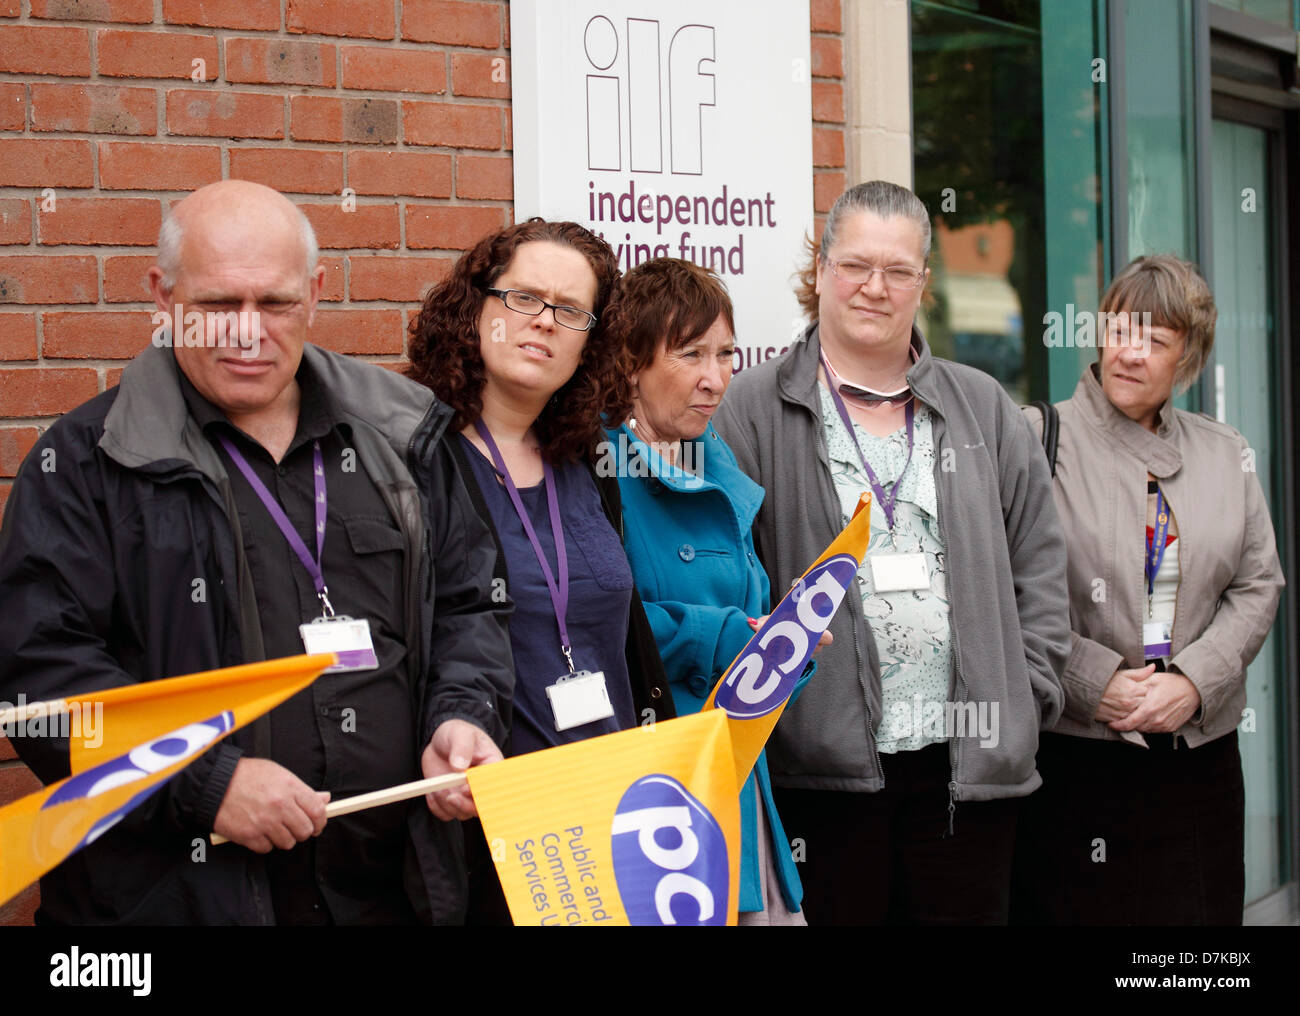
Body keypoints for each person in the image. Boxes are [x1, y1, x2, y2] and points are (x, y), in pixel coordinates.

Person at [0, 180, 516, 925]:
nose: (248, 333)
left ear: (313, 294)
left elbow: (471, 602)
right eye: (218, 306)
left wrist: (459, 717)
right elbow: (43, 686)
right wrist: (206, 785)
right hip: (173, 904)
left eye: (273, 304)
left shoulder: (404, 436)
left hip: (386, 898)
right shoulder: (86, 464)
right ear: (163, 296)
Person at [712, 180, 1070, 925]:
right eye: (855, 265)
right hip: (822, 778)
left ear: (924, 284)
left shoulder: (982, 404)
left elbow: (1040, 559)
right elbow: (723, 564)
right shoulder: (750, 407)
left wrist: (1025, 697)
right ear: (820, 271)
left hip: (966, 778)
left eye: (898, 270)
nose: (875, 288)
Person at [406, 218, 673, 923]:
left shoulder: (587, 461)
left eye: (570, 311)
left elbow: (626, 632)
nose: (544, 323)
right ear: (476, 307)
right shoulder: (414, 464)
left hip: (612, 814)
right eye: (523, 297)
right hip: (492, 828)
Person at [1012, 255, 1283, 925]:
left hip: (1198, 762)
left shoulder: (1226, 453)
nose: (1130, 355)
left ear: (1188, 355)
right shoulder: (1032, 439)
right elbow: (1000, 588)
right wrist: (1089, 680)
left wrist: (1193, 681)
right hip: (1076, 760)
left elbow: (1258, 585)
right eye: (1120, 331)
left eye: (1156, 341)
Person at [603, 257, 811, 925]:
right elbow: (599, 623)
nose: (716, 378)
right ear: (630, 363)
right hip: (655, 801)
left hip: (740, 785)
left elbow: (749, 619)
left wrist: (786, 647)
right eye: (691, 354)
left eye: (726, 354)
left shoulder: (717, 462)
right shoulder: (598, 470)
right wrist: (723, 635)